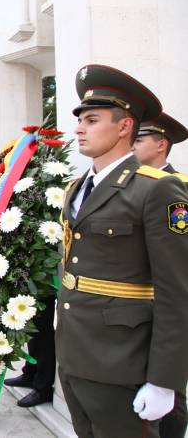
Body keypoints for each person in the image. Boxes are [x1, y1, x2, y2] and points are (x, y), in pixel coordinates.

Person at [57, 64, 188, 438]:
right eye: (80, 119)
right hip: (76, 356)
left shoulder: (155, 189)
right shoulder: (77, 188)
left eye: (92, 119)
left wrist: (165, 381)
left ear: (125, 126)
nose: (79, 128)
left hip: (123, 364)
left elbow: (177, 291)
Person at [131, 112, 188, 438]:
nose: (133, 145)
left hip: (164, 302)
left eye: (139, 140)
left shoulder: (178, 186)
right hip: (134, 307)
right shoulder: (131, 185)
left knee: (169, 387)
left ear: (161, 144)